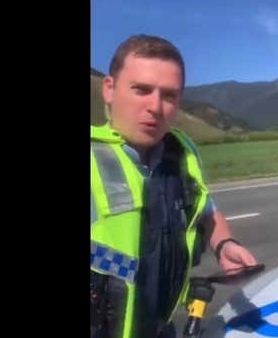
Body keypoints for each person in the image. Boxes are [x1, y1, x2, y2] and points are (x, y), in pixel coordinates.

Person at [90, 34, 257, 338]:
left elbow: (206, 211)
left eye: (169, 95)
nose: (155, 107)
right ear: (109, 89)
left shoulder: (181, 155)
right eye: (141, 90)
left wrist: (224, 244)